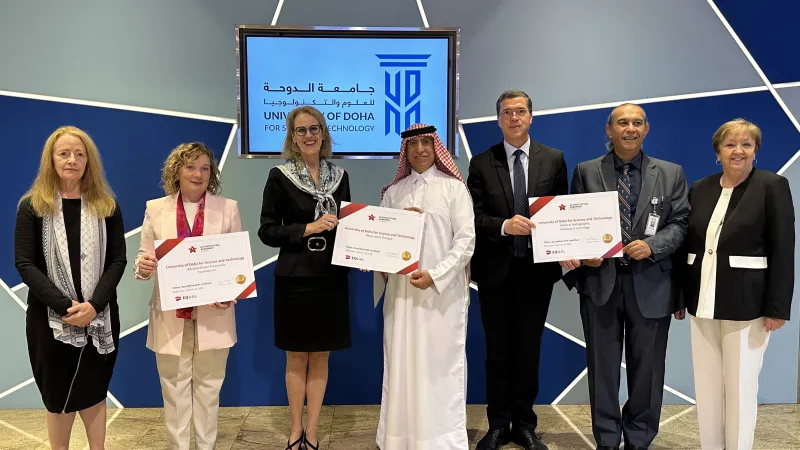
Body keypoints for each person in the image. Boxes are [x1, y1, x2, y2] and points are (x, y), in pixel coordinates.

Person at [560, 103, 689, 450]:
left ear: (646, 129)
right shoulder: (586, 171)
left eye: (636, 123)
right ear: (609, 129)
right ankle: (606, 438)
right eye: (622, 123)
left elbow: (681, 223)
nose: (629, 128)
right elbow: (574, 222)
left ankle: (639, 437)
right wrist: (581, 251)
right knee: (601, 368)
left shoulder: (671, 173)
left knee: (648, 370)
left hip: (652, 283)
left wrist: (653, 245)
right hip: (600, 282)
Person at [675, 119, 794, 450]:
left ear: (756, 150)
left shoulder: (772, 186)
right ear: (718, 152)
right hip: (702, 302)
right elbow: (687, 246)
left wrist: (777, 308)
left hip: (748, 304)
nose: (738, 151)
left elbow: (783, 249)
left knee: (741, 388)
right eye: (730, 145)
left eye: (746, 144)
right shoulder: (700, 188)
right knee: (707, 387)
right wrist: (680, 297)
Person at [14, 126, 127, 450]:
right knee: (57, 396)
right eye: (64, 153)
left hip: (100, 317)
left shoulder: (107, 205)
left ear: (89, 161)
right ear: (50, 159)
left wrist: (94, 306)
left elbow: (117, 260)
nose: (72, 160)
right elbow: (25, 263)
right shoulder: (32, 206)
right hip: (49, 320)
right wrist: (66, 307)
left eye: (79, 154)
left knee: (94, 390)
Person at [467, 89, 568, 450]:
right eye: (507, 112)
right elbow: (474, 217)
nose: (514, 117)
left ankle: (524, 424)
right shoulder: (481, 162)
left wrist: (568, 249)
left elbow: (562, 212)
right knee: (497, 354)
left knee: (528, 352)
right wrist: (504, 226)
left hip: (536, 274)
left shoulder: (553, 159)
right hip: (495, 273)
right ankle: (498, 424)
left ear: (531, 117)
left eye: (520, 111)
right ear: (498, 120)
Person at [134, 142, 241, 450]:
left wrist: (230, 293)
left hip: (214, 314)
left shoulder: (228, 208)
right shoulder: (156, 208)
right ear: (177, 171)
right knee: (174, 391)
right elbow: (143, 260)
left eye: (205, 168)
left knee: (209, 390)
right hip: (170, 316)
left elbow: (237, 265)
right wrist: (144, 267)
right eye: (191, 167)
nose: (198, 174)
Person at [374, 123, 475, 450]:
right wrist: (375, 252)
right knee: (401, 365)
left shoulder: (453, 189)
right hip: (402, 296)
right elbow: (380, 243)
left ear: (435, 147)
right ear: (405, 150)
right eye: (413, 144)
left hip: (441, 297)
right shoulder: (393, 193)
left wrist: (436, 274)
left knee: (440, 368)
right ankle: (399, 438)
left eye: (426, 143)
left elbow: (466, 241)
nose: (420, 149)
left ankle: (441, 440)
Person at [258, 106, 351, 450]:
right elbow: (267, 231)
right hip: (294, 278)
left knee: (321, 356)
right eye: (301, 130)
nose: (309, 135)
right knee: (296, 357)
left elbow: (347, 227)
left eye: (314, 129)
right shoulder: (279, 176)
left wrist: (364, 251)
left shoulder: (340, 176)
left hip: (330, 277)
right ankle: (295, 429)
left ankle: (312, 431)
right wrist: (307, 228)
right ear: (293, 138)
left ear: (323, 134)